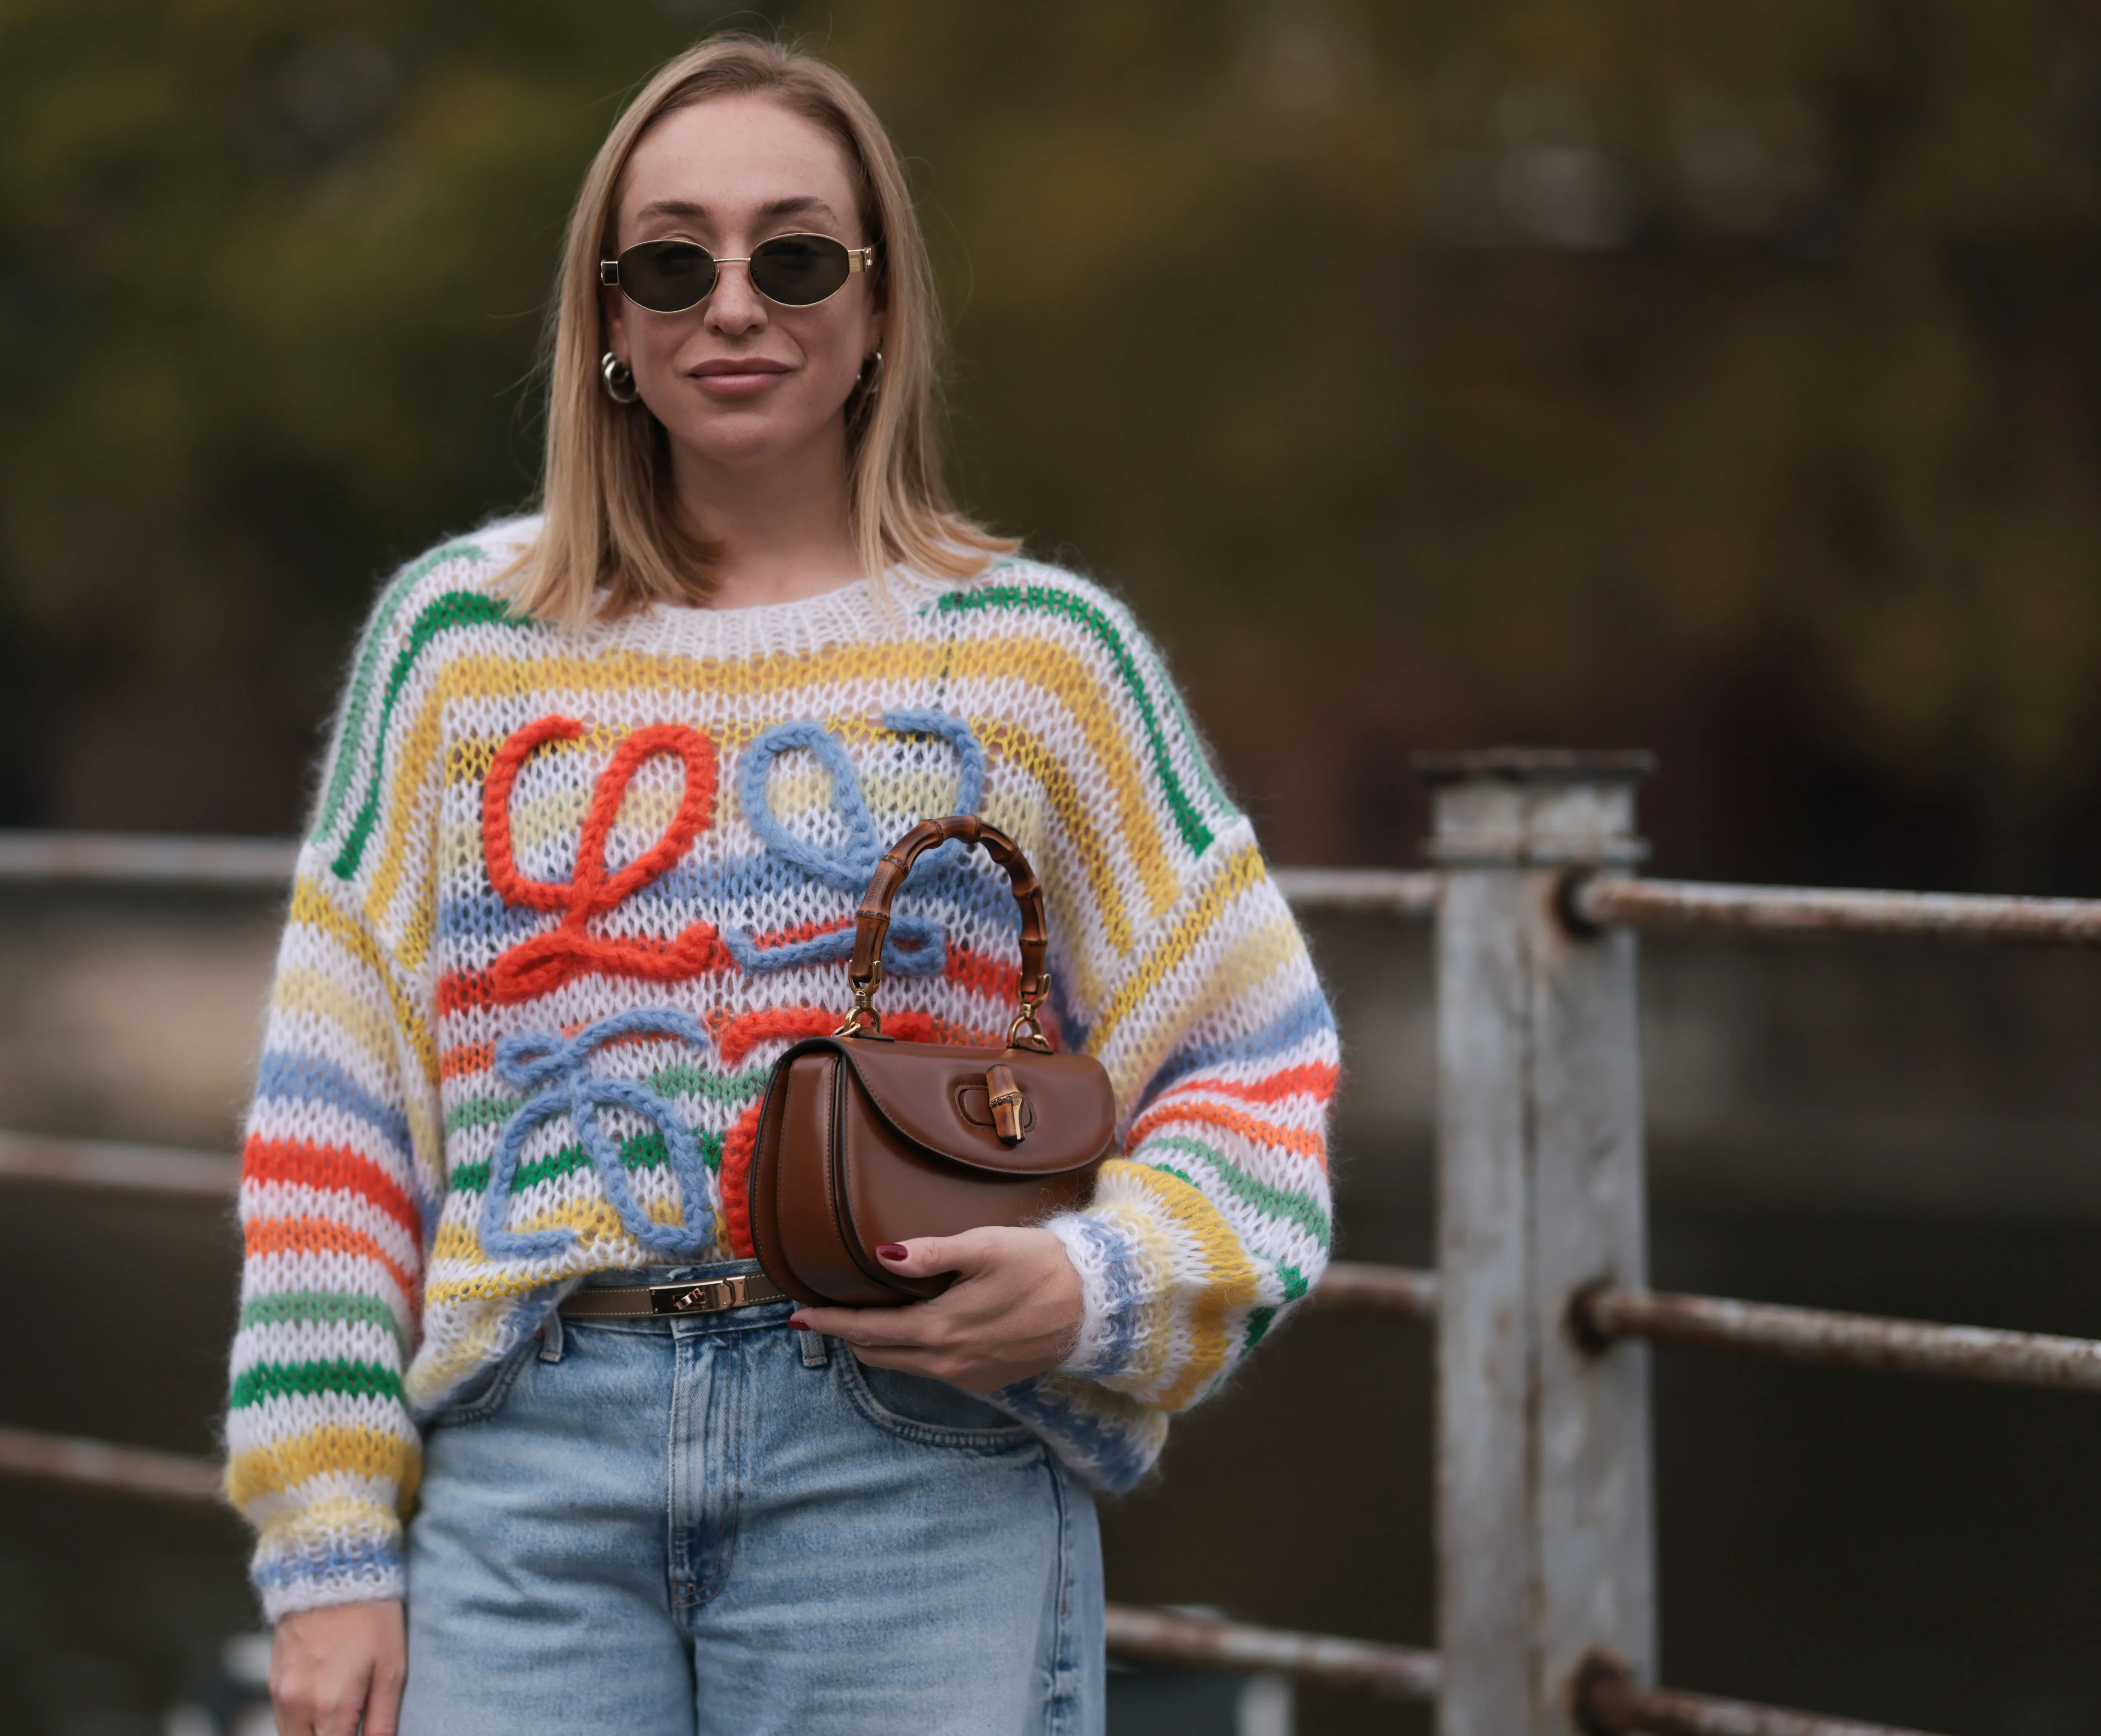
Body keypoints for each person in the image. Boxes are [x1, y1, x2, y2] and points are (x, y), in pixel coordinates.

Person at [223, 33, 1337, 1736]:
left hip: (912, 1467)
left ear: (878, 304)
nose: (733, 304)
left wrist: (1094, 1285)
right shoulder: (455, 647)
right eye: (673, 263)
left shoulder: (1042, 660)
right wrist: (326, 1544)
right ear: (608, 318)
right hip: (530, 1476)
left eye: (795, 256)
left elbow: (1253, 1062)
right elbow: (336, 1114)